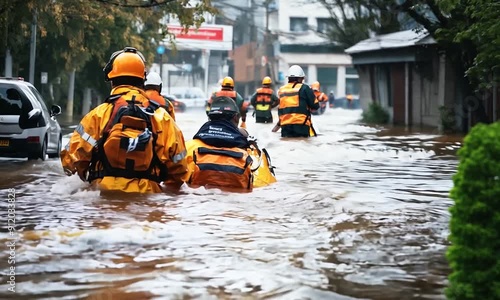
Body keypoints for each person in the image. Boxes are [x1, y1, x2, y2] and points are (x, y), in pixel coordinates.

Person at [60, 46, 188, 193]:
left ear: (112, 80)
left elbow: (71, 162)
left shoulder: (98, 115)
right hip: (147, 198)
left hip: (101, 198)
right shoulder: (162, 117)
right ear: (142, 80)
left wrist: (86, 178)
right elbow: (179, 169)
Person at [184, 96, 276, 191]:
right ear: (236, 118)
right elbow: (264, 184)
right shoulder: (251, 154)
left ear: (210, 117)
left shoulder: (188, 147)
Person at [275, 65, 319, 137]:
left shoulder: (281, 90)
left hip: (285, 126)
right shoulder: (305, 88)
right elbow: (315, 105)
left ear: (289, 78)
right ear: (300, 78)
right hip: (301, 125)